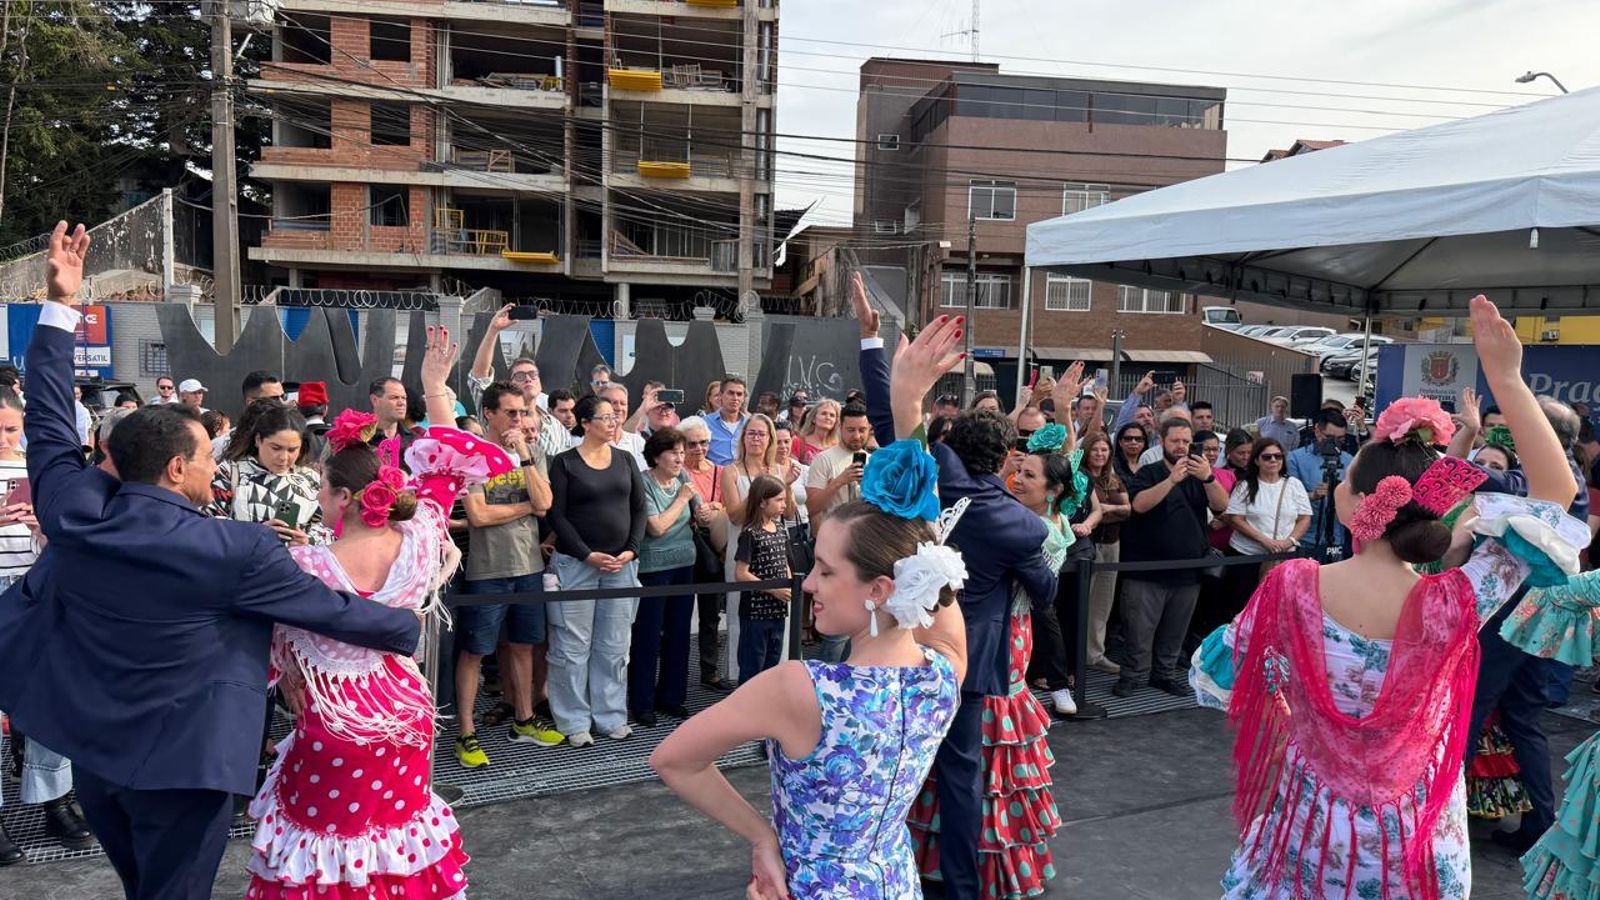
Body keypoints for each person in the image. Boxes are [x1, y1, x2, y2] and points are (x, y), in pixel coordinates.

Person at [0, 222, 424, 899]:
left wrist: (59, 306)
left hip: (96, 758)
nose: (214, 467)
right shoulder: (235, 548)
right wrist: (407, 626)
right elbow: (333, 611)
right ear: (175, 469)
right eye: (205, 458)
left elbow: (50, 418)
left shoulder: (73, 510)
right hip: (186, 765)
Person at [1190, 295, 1591, 900]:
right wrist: (1506, 377)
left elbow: (1213, 676)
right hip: (1418, 837)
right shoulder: (1458, 597)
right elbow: (1556, 489)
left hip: (1312, 832)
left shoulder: (1292, 585)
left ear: (1351, 503)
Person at [651, 317, 971, 900]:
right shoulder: (945, 673)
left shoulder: (802, 687)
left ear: (878, 590)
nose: (809, 585)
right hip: (893, 882)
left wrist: (760, 836)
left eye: (826, 571)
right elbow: (927, 549)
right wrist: (907, 403)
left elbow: (674, 759)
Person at [245, 327, 504, 899]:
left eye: (321, 487)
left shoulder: (305, 565)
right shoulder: (420, 538)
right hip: (408, 715)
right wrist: (436, 385)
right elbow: (446, 466)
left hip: (334, 723)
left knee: (323, 849)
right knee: (397, 840)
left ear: (340, 499)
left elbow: (269, 654)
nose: (316, 496)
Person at [853, 276, 1056, 900]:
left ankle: (883, 873)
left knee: (889, 769)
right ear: (1006, 464)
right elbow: (1045, 594)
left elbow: (891, 418)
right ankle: (963, 888)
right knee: (962, 778)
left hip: (897, 649)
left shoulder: (932, 475)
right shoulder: (1021, 525)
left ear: (954, 449)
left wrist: (872, 342)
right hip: (965, 667)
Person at [912, 443, 1069, 898]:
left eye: (1031, 477)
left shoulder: (1041, 530)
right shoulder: (1000, 516)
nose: (1019, 480)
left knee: (996, 750)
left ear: (1052, 493)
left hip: (1009, 640)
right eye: (1018, 471)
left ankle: (995, 858)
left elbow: (1044, 592)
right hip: (989, 637)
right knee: (973, 751)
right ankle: (955, 858)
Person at [0, 386, 93, 862]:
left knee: (49, 698)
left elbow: (63, 543)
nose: (3, 439)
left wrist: (42, 528)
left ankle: (55, 799)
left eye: (11, 429)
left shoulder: (37, 469)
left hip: (34, 590)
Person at [453, 381, 560, 768]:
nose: (518, 419)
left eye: (522, 412)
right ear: (489, 414)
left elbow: (545, 503)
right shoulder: (472, 457)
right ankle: (466, 732)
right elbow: (478, 516)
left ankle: (525, 718)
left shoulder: (531, 452)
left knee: (524, 645)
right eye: (510, 412)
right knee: (476, 651)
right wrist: (525, 508)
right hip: (487, 569)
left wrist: (526, 457)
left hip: (529, 565)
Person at [546, 393, 648, 747]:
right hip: (576, 565)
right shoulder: (564, 463)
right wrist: (587, 554)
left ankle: (610, 716)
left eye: (615, 416)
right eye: (604, 417)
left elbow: (639, 508)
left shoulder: (625, 459)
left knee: (615, 645)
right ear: (585, 423)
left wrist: (632, 550)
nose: (613, 421)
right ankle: (574, 720)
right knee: (572, 646)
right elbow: (556, 514)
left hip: (621, 566)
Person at [1114, 418, 1230, 698]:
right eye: (1175, 441)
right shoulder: (1149, 471)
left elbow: (1222, 506)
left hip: (1188, 570)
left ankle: (1164, 674)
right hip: (1146, 569)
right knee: (1139, 630)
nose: (1181, 447)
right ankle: (1132, 675)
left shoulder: (1201, 473)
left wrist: (1209, 478)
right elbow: (1139, 505)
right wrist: (1171, 480)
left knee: (1175, 631)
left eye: (1186, 441)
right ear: (1162, 442)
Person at [630, 426, 700, 727]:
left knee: (679, 634)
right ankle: (641, 702)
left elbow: (701, 513)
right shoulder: (643, 483)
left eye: (683, 453)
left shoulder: (684, 479)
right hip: (653, 568)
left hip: (685, 563)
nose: (680, 458)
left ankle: (673, 697)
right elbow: (656, 527)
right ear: (657, 456)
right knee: (647, 636)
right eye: (674, 452)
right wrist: (683, 499)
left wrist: (707, 510)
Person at [722, 413, 796, 681]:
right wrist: (759, 493)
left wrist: (784, 485)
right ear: (743, 438)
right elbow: (734, 515)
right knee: (741, 617)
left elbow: (788, 513)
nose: (756, 438)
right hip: (745, 546)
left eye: (761, 434)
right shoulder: (730, 471)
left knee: (778, 622)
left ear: (770, 439)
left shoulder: (778, 470)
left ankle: (777, 678)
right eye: (751, 433)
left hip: (776, 545)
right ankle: (741, 679)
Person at [208, 403, 326, 548]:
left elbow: (329, 530)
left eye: (292, 450)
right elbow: (208, 525)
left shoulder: (311, 479)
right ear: (258, 440)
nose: (283, 457)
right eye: (276, 448)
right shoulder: (229, 472)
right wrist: (255, 534)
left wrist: (307, 540)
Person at [678, 415, 735, 692]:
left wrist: (715, 507)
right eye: (692, 444)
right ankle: (675, 675)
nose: (698, 449)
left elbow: (732, 508)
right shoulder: (675, 471)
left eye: (703, 443)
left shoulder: (721, 472)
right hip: (683, 548)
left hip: (712, 548)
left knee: (711, 615)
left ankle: (709, 671)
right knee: (678, 615)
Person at [1224, 438, 1312, 596]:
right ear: (1257, 460)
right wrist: (1264, 540)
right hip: (1248, 556)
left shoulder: (1294, 485)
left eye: (1278, 456)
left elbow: (1304, 517)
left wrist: (1289, 541)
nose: (1273, 460)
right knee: (1246, 604)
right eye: (1267, 457)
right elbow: (1235, 519)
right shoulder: (1245, 485)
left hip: (1284, 555)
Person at [734, 474, 792, 684]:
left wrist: (787, 582)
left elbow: (784, 562)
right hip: (755, 613)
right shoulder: (751, 533)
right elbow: (741, 573)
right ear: (761, 502)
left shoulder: (780, 529)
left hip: (777, 610)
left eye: (784, 500)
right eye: (778, 500)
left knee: (771, 665)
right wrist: (773, 589)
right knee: (752, 667)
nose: (783, 505)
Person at [1081, 432, 1129, 675]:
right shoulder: (1080, 478)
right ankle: (1076, 654)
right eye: (1095, 449)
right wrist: (1111, 510)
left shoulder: (1113, 478)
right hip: (1086, 545)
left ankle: (1095, 653)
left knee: (1102, 603)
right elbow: (1086, 511)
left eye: (1104, 449)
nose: (1100, 454)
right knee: (1081, 602)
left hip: (1111, 544)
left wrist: (1104, 510)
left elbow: (1127, 509)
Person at [1288, 409, 1353, 558]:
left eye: (1340, 439)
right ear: (1317, 430)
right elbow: (1288, 499)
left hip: (1337, 538)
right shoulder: (1295, 458)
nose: (1335, 444)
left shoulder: (1349, 460)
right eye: (1329, 437)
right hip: (1304, 538)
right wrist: (1313, 495)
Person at [805, 404, 872, 522]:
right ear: (840, 428)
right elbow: (811, 508)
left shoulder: (873, 461)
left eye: (862, 430)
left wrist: (867, 485)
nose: (856, 436)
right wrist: (839, 481)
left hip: (866, 533)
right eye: (851, 430)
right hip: (835, 534)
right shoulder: (823, 460)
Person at [599, 383, 647, 469]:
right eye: (613, 403)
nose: (619, 408)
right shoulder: (589, 443)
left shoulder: (637, 442)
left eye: (623, 403)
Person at [707, 375, 750, 466]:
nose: (735, 398)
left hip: (743, 475)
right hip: (716, 476)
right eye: (731, 393)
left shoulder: (750, 424)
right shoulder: (705, 423)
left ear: (743, 398)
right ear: (721, 395)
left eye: (739, 394)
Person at [793, 398, 841, 464]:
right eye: (824, 413)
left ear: (835, 422)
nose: (828, 417)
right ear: (813, 419)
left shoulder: (838, 447)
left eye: (832, 415)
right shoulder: (797, 443)